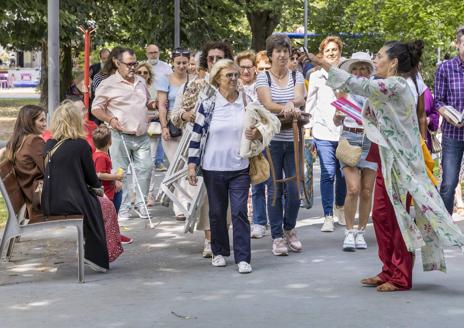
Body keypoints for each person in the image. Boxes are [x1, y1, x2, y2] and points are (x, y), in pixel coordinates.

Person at [308, 40, 464, 292]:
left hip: (401, 163)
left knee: (396, 217)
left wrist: (324, 64)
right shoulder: (389, 86)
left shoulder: (397, 85)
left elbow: (359, 84)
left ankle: (401, 275)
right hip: (385, 157)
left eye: (379, 56)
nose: (375, 60)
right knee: (381, 215)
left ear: (393, 63)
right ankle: (388, 269)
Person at [187, 59, 260, 273]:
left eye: (236, 75)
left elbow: (263, 125)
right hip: (213, 166)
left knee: (239, 212)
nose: (234, 79)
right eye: (229, 75)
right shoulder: (208, 102)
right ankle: (219, 251)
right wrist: (192, 165)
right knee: (217, 212)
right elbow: (197, 134)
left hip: (240, 166)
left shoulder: (247, 100)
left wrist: (256, 133)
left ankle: (243, 257)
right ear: (218, 77)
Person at [42, 101, 124, 272]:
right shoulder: (81, 145)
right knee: (107, 206)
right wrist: (99, 190)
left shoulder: (49, 144)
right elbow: (92, 178)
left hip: (50, 200)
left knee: (100, 205)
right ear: (75, 121)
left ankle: (92, 249)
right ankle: (98, 253)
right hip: (72, 201)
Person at [171, 40, 234, 257]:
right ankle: (210, 239)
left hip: (232, 150)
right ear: (205, 61)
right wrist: (186, 115)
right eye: (211, 58)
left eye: (219, 58)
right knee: (210, 196)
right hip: (205, 148)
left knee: (226, 198)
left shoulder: (235, 86)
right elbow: (175, 114)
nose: (215, 62)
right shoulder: (194, 85)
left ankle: (221, 237)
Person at [92, 47, 156, 221]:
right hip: (120, 135)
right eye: (129, 64)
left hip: (141, 134)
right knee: (122, 173)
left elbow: (147, 101)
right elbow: (96, 109)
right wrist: (110, 119)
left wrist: (153, 104)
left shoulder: (141, 81)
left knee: (147, 168)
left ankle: (142, 204)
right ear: (117, 63)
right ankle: (124, 207)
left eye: (134, 63)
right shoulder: (108, 84)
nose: (132, 67)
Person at [255, 33, 306, 256]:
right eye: (278, 51)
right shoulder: (262, 78)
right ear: (270, 55)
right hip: (272, 140)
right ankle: (277, 236)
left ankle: (289, 228)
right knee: (274, 189)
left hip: (293, 138)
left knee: (294, 189)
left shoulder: (297, 75)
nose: (283, 55)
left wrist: (288, 104)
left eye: (286, 51)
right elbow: (266, 103)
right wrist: (286, 106)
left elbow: (300, 99)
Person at [332, 53, 377, 251]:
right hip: (349, 138)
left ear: (369, 72)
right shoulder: (343, 90)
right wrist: (338, 116)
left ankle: (360, 231)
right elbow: (336, 119)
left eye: (364, 69)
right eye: (356, 69)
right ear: (350, 71)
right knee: (353, 189)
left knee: (367, 191)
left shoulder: (375, 92)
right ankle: (349, 232)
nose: (360, 72)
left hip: (370, 139)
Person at [306, 35, 346, 232]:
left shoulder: (346, 75)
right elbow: (310, 103)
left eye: (334, 50)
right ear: (322, 54)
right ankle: (328, 215)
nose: (331, 53)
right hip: (322, 131)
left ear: (340, 52)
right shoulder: (315, 76)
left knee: (343, 174)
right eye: (327, 50)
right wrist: (308, 129)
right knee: (328, 173)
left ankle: (340, 206)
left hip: (344, 131)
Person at [159, 48, 191, 220]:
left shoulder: (192, 80)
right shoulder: (165, 80)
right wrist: (164, 126)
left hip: (189, 127)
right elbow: (162, 105)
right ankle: (179, 205)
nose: (181, 66)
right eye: (178, 62)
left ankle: (185, 201)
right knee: (177, 166)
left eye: (184, 62)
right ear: (173, 63)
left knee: (188, 167)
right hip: (172, 127)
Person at [435, 26, 464, 214]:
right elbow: (438, 100)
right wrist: (447, 114)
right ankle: (444, 228)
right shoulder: (446, 68)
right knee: (448, 183)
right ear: (458, 44)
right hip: (453, 133)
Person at [4, 105, 46, 222]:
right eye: (41, 120)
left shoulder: (17, 140)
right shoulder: (33, 140)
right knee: (90, 199)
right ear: (30, 122)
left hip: (30, 194)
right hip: (40, 198)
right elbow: (49, 170)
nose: (45, 124)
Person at [92, 125, 133, 245]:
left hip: (109, 190)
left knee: (111, 215)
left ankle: (114, 235)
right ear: (110, 142)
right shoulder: (100, 157)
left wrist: (114, 178)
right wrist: (116, 177)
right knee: (111, 215)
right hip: (106, 193)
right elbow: (99, 174)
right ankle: (113, 237)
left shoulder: (99, 155)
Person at [135, 62, 163, 206]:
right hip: (136, 129)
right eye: (139, 72)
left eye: (145, 72)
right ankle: (138, 192)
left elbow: (161, 107)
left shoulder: (155, 88)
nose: (142, 75)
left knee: (150, 163)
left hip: (152, 129)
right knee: (136, 164)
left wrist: (151, 115)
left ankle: (149, 194)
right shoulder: (132, 87)